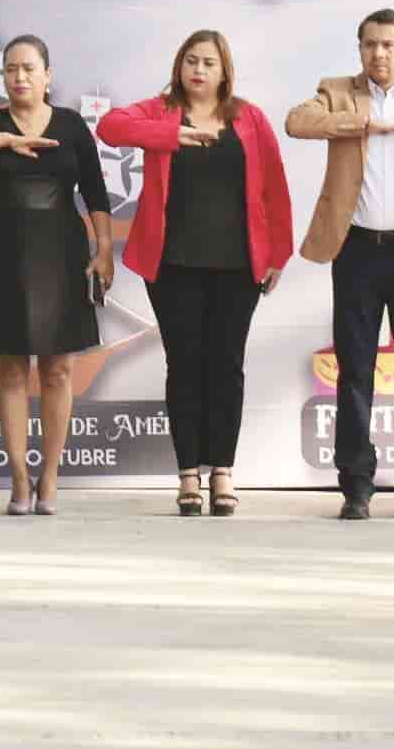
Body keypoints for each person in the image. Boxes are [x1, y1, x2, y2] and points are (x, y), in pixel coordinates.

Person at [97, 30, 293, 516]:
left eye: (208, 63)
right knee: (184, 365)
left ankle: (222, 470)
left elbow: (274, 187)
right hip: (173, 264)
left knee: (226, 366)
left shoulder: (249, 118)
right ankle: (188, 475)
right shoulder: (160, 111)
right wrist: (171, 135)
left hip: (237, 265)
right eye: (191, 61)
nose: (198, 71)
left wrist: (278, 255)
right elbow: (110, 127)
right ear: (178, 67)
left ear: (224, 71)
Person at [285, 8, 394, 521]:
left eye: (388, 45)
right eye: (368, 45)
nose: (378, 54)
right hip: (357, 250)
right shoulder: (338, 91)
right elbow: (297, 122)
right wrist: (360, 123)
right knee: (355, 372)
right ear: (359, 50)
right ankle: (356, 487)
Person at [0, 35, 113, 517]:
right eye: (11, 69)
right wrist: (10, 141)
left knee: (58, 369)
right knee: (10, 370)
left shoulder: (73, 125)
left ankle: (51, 477)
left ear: (47, 75)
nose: (20, 77)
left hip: (62, 249)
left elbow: (96, 194)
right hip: (6, 251)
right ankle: (18, 478)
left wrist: (103, 250)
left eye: (29, 68)